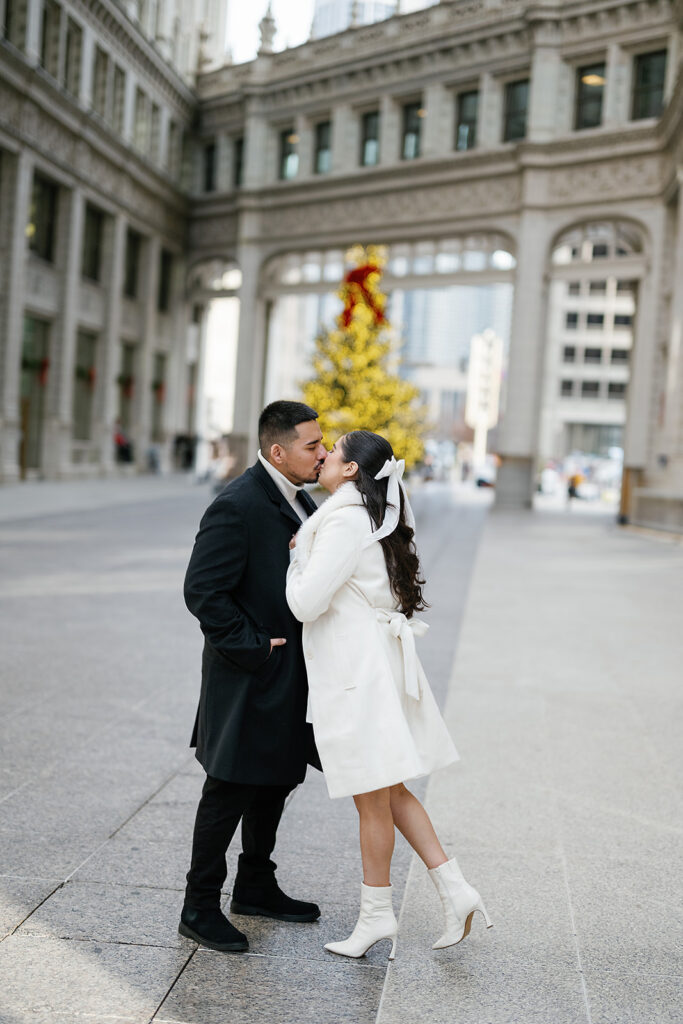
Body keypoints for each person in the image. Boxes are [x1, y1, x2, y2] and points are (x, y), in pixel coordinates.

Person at [286, 430, 492, 959]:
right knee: (392, 792)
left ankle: (378, 916)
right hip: (373, 667)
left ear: (352, 470)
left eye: (333, 451)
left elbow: (306, 604)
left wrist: (296, 559)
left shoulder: (344, 520)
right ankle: (455, 890)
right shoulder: (375, 517)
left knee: (373, 798)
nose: (324, 455)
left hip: (358, 675)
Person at [179, 401, 328, 953]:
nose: (322, 453)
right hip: (247, 676)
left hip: (285, 676)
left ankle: (255, 885)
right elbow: (202, 591)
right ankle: (198, 907)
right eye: (312, 445)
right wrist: (254, 649)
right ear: (277, 451)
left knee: (277, 777)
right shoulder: (237, 505)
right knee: (230, 788)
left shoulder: (296, 497)